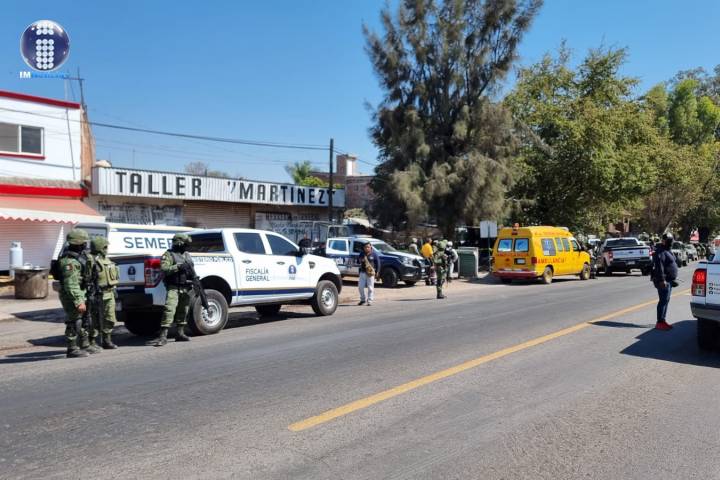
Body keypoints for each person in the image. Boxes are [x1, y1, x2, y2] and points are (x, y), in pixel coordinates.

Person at [150, 233, 194, 346]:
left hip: (186, 287)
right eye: (185, 244)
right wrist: (178, 267)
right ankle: (163, 336)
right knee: (169, 310)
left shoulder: (187, 255)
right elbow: (164, 269)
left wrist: (194, 280)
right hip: (173, 287)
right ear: (179, 243)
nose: (186, 246)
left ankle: (180, 333)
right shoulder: (168, 254)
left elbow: (191, 269)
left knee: (183, 310)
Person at [56, 229, 93, 358]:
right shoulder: (69, 262)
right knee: (74, 320)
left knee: (83, 319)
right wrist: (79, 301)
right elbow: (70, 284)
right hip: (70, 295)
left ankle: (85, 344)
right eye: (84, 242)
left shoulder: (79, 257)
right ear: (78, 243)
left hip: (79, 292)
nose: (85, 245)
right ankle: (72, 348)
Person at [89, 237, 120, 349]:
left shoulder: (107, 260)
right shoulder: (91, 261)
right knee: (94, 320)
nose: (106, 249)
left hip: (110, 293)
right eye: (105, 247)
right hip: (97, 294)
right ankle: (92, 342)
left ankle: (107, 340)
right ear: (99, 248)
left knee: (110, 318)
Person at [651, 233, 679, 331]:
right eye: (668, 240)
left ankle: (663, 320)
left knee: (666, 300)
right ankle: (660, 322)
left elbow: (670, 264)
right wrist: (662, 280)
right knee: (663, 301)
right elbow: (659, 267)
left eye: (671, 240)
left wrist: (673, 278)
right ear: (663, 241)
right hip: (663, 281)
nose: (670, 242)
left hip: (669, 280)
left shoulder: (667, 250)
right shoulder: (660, 251)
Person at [357, 241, 380, 306]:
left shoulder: (374, 254)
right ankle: (363, 300)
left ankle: (370, 300)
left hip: (370, 273)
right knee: (360, 287)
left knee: (370, 288)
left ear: (370, 247)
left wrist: (377, 272)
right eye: (365, 247)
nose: (367, 248)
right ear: (363, 248)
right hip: (363, 272)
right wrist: (361, 260)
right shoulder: (362, 254)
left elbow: (378, 263)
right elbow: (358, 261)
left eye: (368, 247)